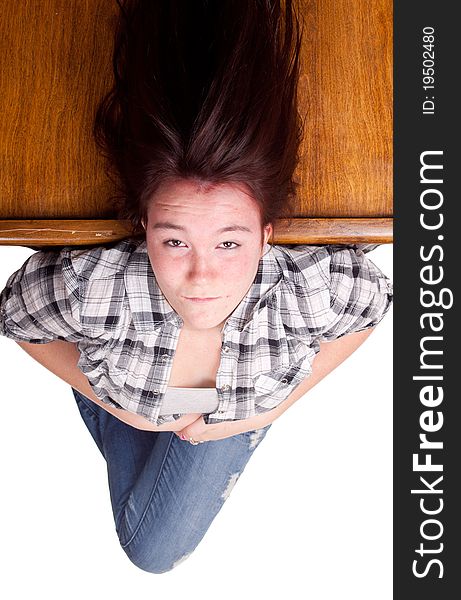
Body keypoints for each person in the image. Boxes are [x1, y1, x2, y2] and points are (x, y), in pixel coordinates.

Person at [0, 0, 393, 573]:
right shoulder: (93, 288)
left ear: (266, 236)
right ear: (143, 229)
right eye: (175, 241)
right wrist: (125, 410)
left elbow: (372, 309)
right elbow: (18, 320)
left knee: (148, 549)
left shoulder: (313, 288)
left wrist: (267, 411)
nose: (202, 276)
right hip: (131, 394)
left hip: (240, 405)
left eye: (230, 243)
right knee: (154, 550)